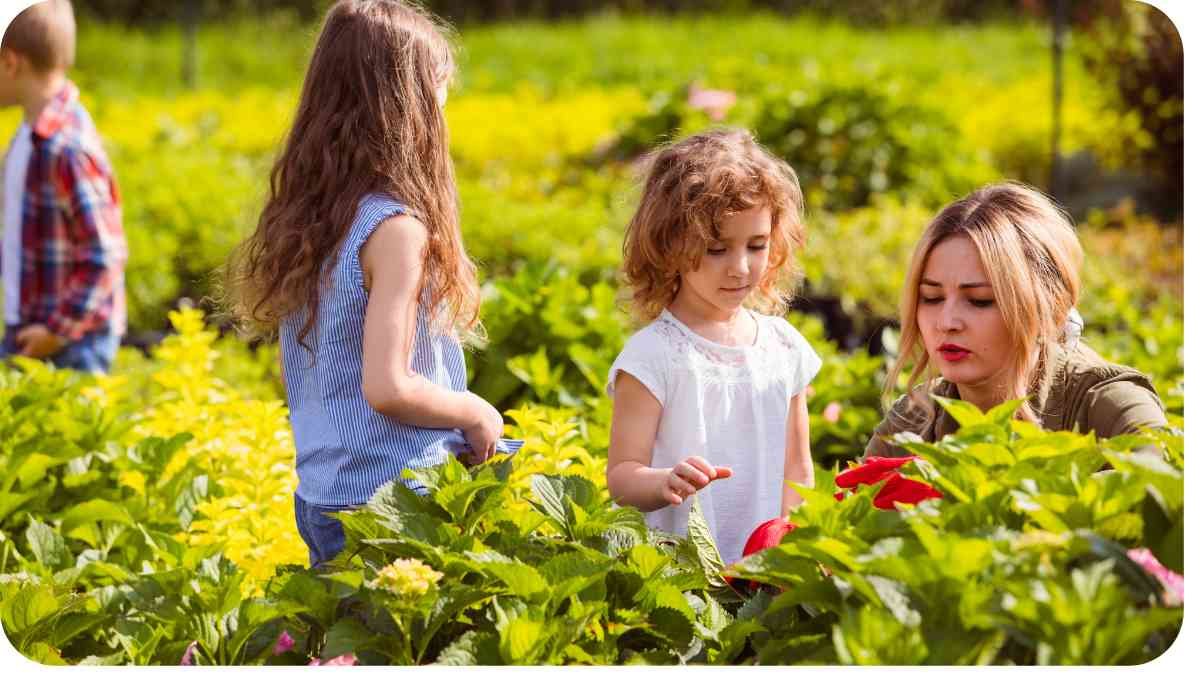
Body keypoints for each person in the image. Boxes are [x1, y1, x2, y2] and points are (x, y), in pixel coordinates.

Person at [225, 0, 517, 568]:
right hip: (395, 498)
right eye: (438, 95)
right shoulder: (394, 230)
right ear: (409, 109)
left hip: (322, 492)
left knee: (343, 654)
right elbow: (388, 387)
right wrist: (475, 411)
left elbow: (299, 370)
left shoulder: (316, 218)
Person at [606, 129, 822, 564]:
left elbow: (797, 473)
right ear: (668, 245)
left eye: (757, 245)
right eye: (716, 248)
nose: (740, 268)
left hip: (758, 574)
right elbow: (622, 477)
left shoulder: (783, 347)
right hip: (677, 573)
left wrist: (794, 554)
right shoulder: (654, 356)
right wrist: (663, 481)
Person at [866, 182, 1166, 458]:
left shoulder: (1108, 403)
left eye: (980, 300)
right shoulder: (911, 420)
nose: (946, 321)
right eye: (931, 297)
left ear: (1051, 306)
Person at [0, 0, 126, 373]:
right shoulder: (27, 137)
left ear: (10, 62)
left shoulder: (65, 147)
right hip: (30, 328)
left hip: (71, 342)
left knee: (66, 431)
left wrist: (56, 331)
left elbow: (105, 255)